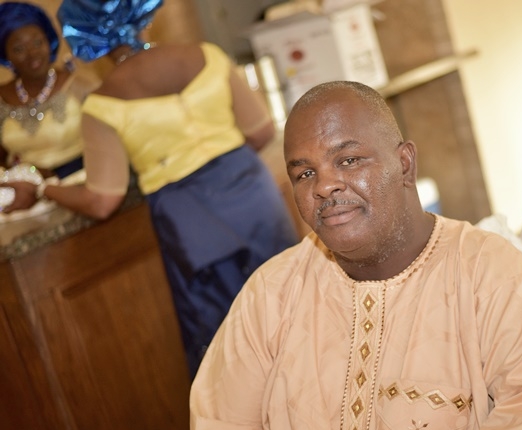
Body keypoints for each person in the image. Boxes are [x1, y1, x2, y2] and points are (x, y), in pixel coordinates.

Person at [189, 81, 522, 430]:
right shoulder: (270, 294)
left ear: (404, 163)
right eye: (305, 173)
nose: (324, 186)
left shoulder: (487, 272)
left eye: (348, 160)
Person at [1, 0, 299, 378]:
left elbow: (102, 201)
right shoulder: (207, 55)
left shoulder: (103, 104)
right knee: (294, 310)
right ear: (144, 17)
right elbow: (261, 131)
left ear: (90, 38)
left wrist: (43, 188)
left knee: (235, 344)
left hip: (191, 223)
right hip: (255, 200)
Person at [0, 1, 99, 180]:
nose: (32, 53)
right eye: (19, 48)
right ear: (5, 55)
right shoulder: (2, 98)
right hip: (27, 190)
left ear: (49, 41)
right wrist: (26, 174)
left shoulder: (80, 84)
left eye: (38, 42)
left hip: (85, 181)